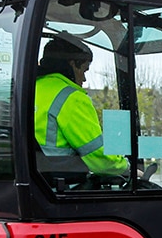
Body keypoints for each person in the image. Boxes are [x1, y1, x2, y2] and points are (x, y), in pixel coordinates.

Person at [34, 37, 128, 176]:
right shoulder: (72, 98)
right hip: (59, 184)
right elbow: (99, 159)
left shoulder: (27, 90)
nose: (84, 79)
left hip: (35, 182)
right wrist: (126, 167)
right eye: (84, 70)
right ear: (72, 65)